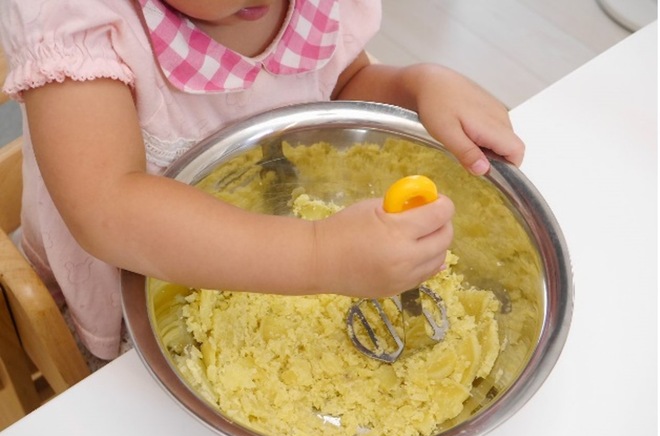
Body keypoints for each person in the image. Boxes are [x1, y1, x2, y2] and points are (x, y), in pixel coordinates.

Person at [0, 0, 524, 361]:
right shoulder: (75, 20)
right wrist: (320, 255)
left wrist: (419, 86)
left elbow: (341, 85)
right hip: (129, 293)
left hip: (276, 223)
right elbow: (108, 209)